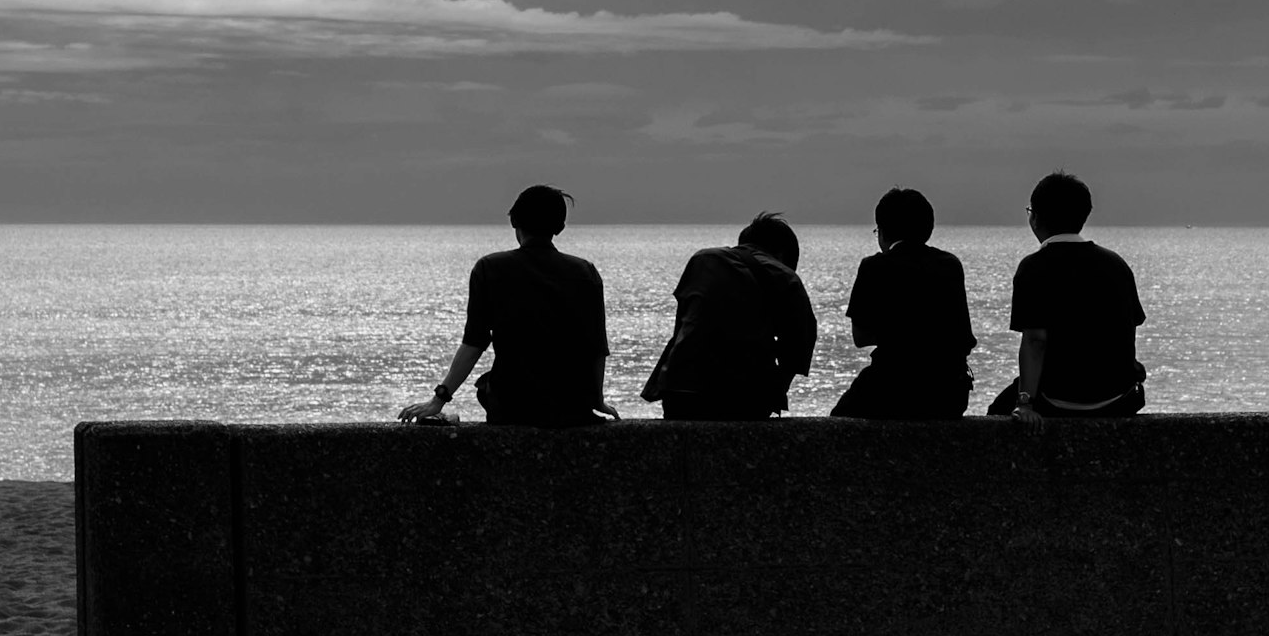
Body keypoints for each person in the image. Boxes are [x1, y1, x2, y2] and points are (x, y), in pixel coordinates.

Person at [404, 185, 610, 425]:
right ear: (560, 227)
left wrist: (439, 399)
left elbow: (475, 342)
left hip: (513, 403)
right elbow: (596, 347)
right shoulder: (585, 273)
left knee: (487, 384)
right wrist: (596, 400)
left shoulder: (490, 268)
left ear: (514, 221)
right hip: (572, 407)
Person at [992, 170, 1147, 418]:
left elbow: (1035, 341)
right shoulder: (1115, 264)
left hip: (1057, 398)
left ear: (1035, 218)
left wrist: (1025, 402)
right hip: (1119, 398)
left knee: (996, 415)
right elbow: (1130, 328)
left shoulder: (1034, 267)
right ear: (1083, 216)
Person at [645, 214, 817, 420]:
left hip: (679, 388)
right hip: (742, 396)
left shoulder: (702, 260)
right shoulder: (786, 277)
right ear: (782, 253)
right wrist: (773, 394)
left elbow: (683, 325)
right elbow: (798, 347)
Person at [831, 187, 973, 418]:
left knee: (837, 425)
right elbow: (961, 333)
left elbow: (861, 337)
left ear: (883, 232)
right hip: (949, 392)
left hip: (892, 388)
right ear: (928, 229)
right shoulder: (950, 265)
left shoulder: (873, 267)